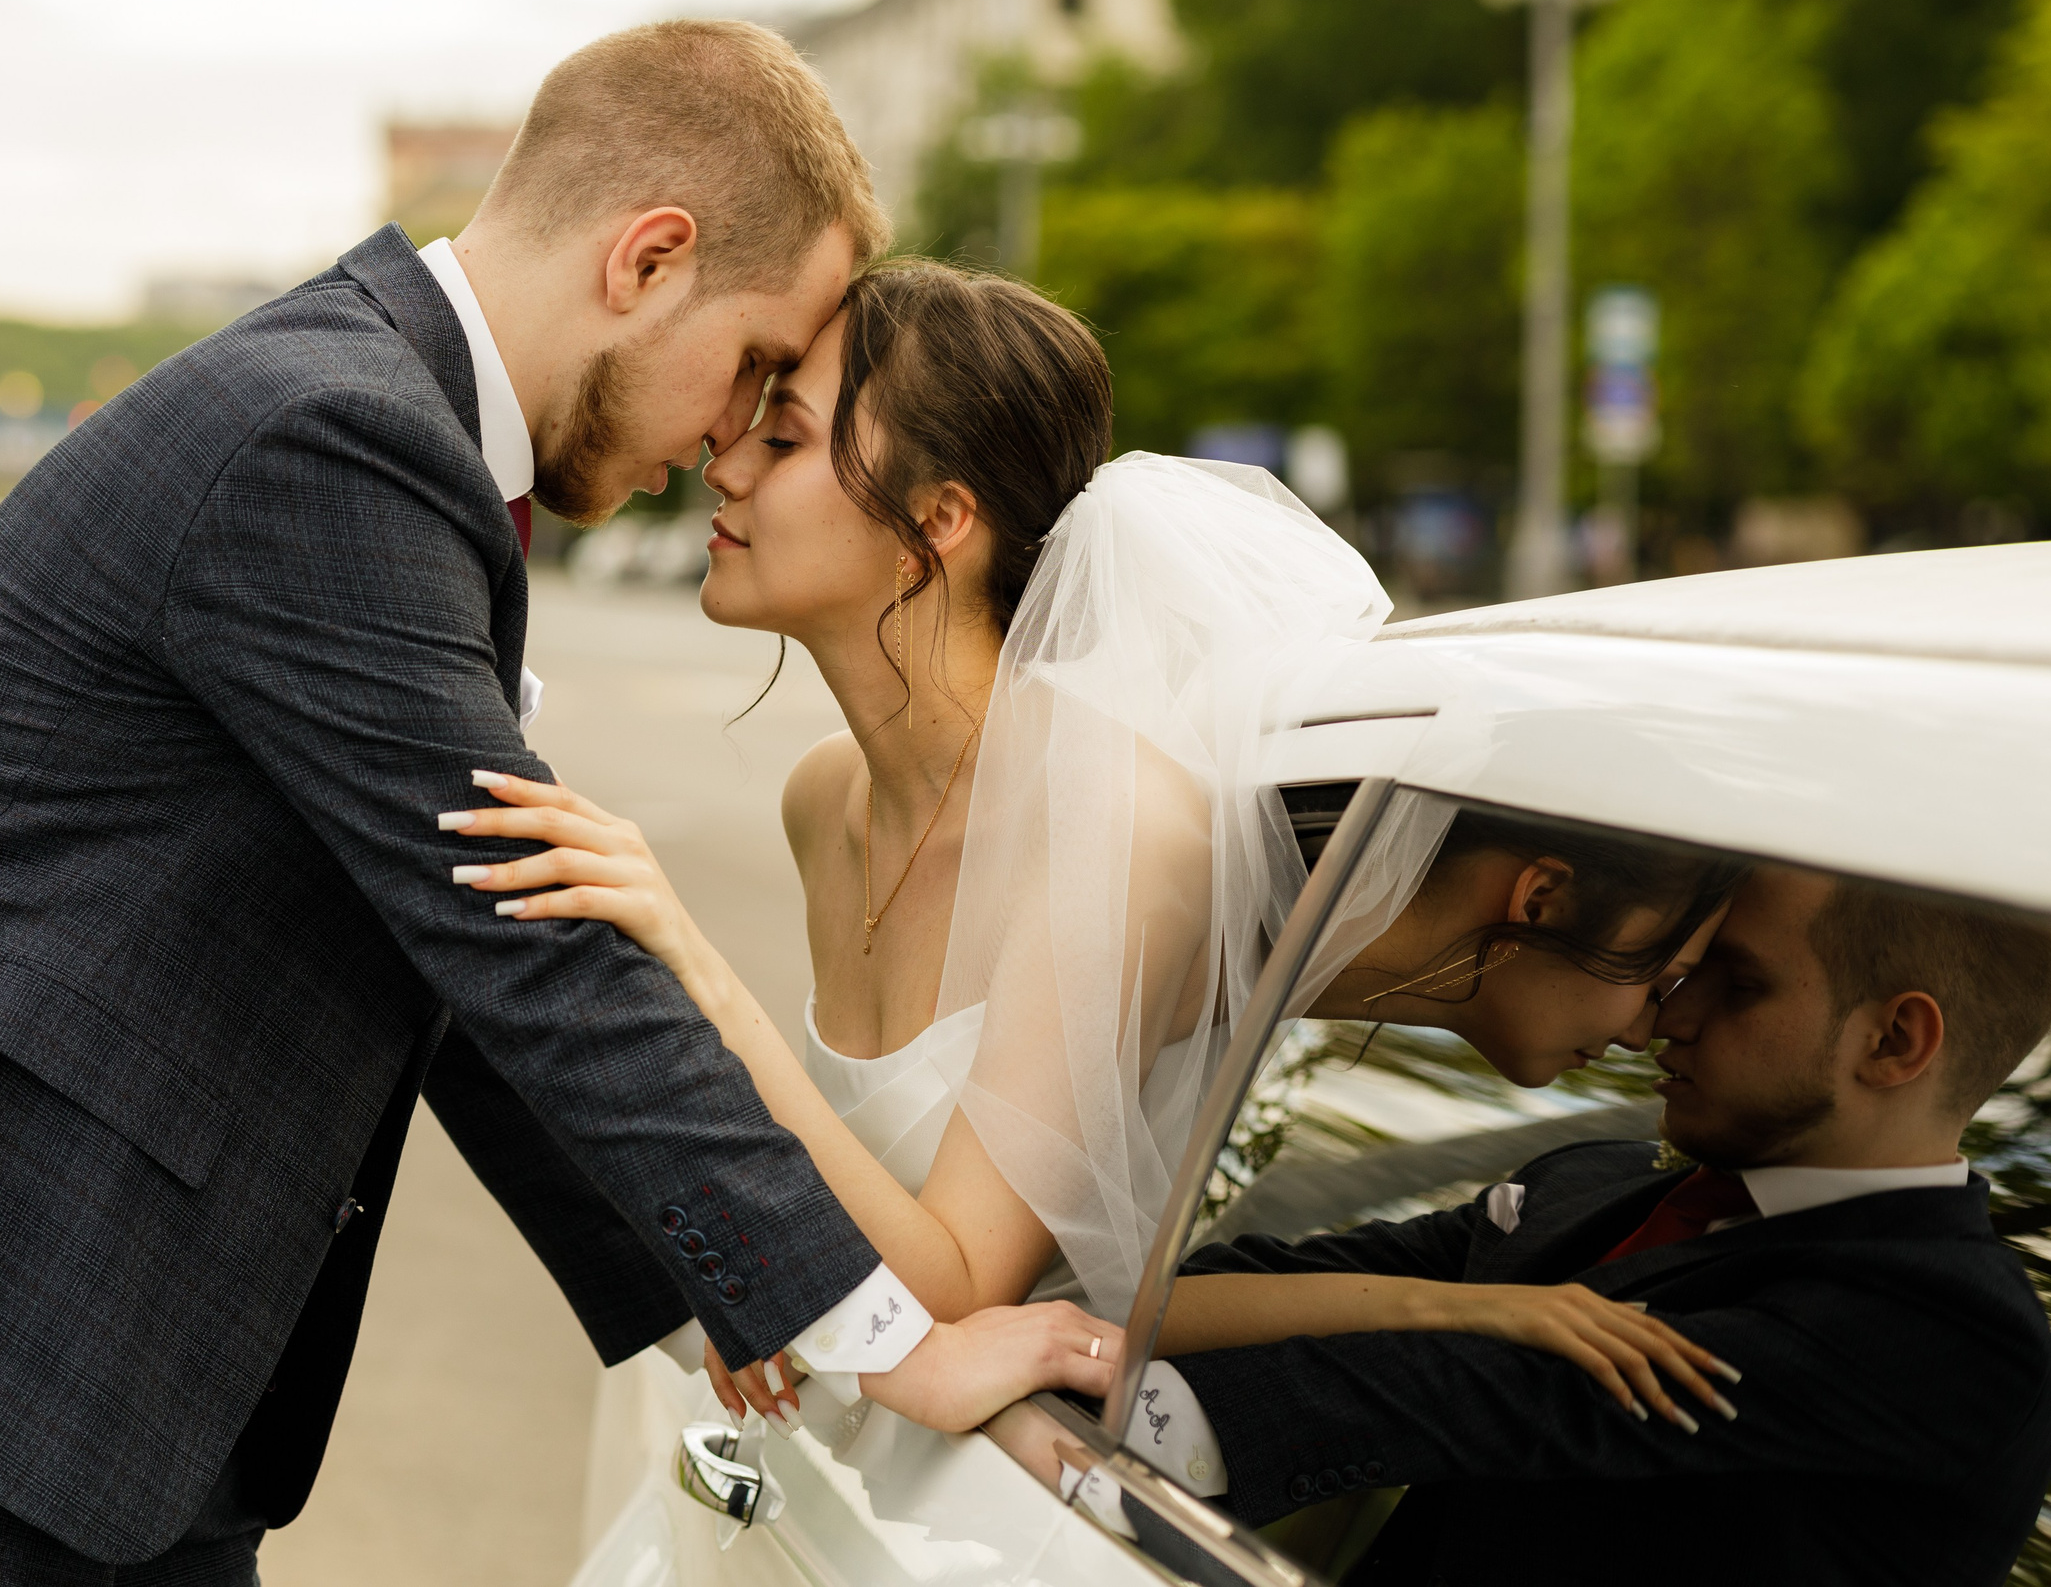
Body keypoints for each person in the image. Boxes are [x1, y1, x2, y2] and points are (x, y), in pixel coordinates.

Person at [0, 21, 979, 1584]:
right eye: (752, 365)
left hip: (82, 1372)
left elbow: (455, 948)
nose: (729, 437)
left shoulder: (384, 427)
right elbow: (529, 951)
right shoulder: (332, 434)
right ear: (649, 259)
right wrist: (884, 1338)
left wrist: (718, 1305)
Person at [446, 259, 1745, 1438]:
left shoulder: (1120, 816)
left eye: (781, 438)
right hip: (820, 1440)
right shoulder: (823, 798)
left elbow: (968, 1282)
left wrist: (694, 965)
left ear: (938, 519)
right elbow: (1051, 1279)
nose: (722, 465)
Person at [1113, 865, 2051, 1587]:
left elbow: (1467, 1392)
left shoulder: (1955, 1333)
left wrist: (1113, 1417)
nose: (1667, 1018)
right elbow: (1236, 1292)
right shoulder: (1590, 1178)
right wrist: (1075, 1336)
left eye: (1736, 983)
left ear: (1895, 1041)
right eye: (1684, 971)